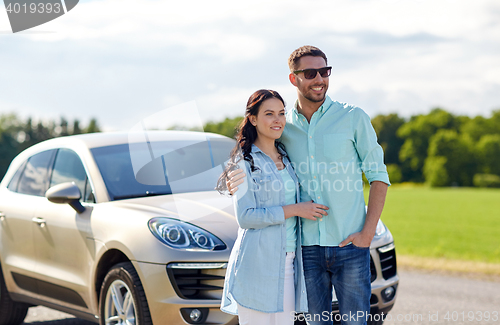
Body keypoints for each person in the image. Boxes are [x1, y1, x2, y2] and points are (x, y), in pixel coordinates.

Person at [227, 46, 391, 325]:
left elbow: (378, 176)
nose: (320, 79)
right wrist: (236, 176)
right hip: (307, 251)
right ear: (294, 78)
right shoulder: (283, 124)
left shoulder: (353, 118)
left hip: (350, 245)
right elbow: (257, 156)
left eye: (325, 71)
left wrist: (367, 234)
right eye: (311, 72)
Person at [216, 89, 329, 325]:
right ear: (254, 119)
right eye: (269, 114)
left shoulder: (286, 157)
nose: (277, 120)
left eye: (281, 113)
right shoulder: (243, 162)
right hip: (257, 263)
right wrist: (296, 209)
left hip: (288, 263)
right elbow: (246, 218)